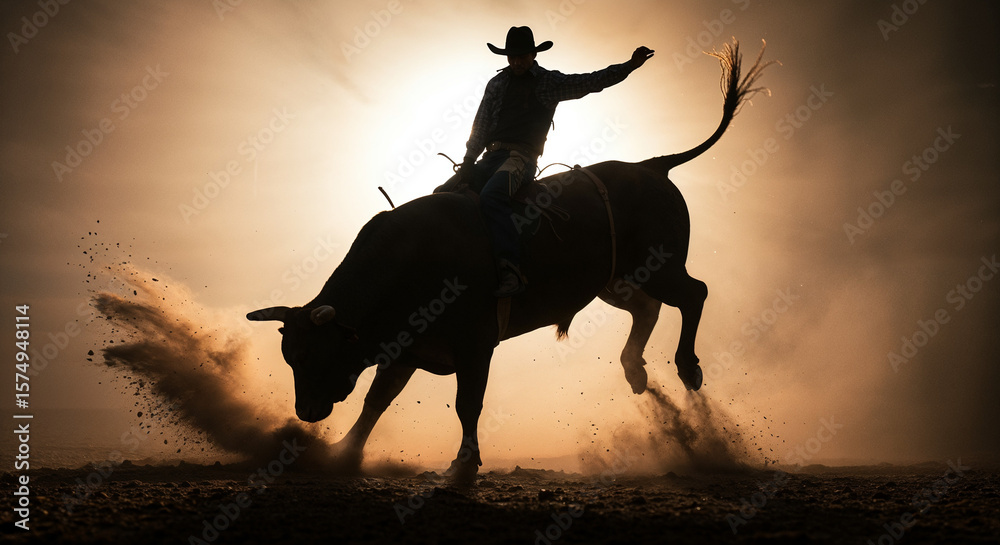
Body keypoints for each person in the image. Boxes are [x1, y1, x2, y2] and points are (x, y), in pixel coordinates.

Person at [439, 26, 654, 297]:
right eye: (512, 56)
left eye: (521, 56)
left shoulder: (547, 83)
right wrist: (469, 159)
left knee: (493, 196)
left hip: (520, 159)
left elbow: (589, 82)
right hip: (488, 158)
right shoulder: (497, 84)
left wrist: (628, 67)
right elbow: (481, 123)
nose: (516, 62)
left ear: (532, 54)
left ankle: (511, 269)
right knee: (442, 194)